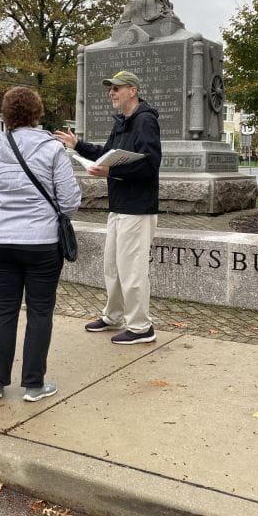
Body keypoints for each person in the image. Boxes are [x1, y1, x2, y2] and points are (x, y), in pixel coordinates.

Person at [0, 87, 81, 402]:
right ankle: (34, 384)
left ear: (6, 114)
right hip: (40, 242)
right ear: (37, 113)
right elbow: (69, 201)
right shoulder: (52, 149)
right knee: (39, 311)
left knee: (4, 309)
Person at [54, 70, 161, 345]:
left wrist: (111, 174)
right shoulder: (123, 122)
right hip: (120, 206)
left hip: (137, 209)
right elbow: (107, 154)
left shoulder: (146, 121)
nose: (111, 93)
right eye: (110, 89)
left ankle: (141, 327)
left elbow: (150, 165)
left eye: (116, 88)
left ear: (132, 91)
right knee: (112, 266)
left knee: (132, 270)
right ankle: (113, 316)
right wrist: (78, 145)